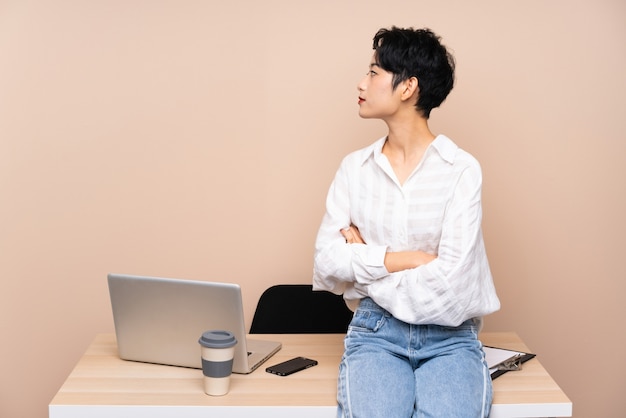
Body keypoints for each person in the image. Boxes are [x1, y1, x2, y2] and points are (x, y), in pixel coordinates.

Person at [312, 27, 500, 418]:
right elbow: (327, 267)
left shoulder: (460, 170)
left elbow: (454, 287)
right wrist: (411, 258)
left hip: (450, 339)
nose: (362, 83)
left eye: (375, 72)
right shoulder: (354, 169)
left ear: (408, 87)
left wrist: (364, 260)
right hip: (376, 334)